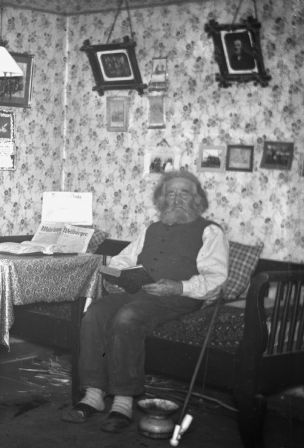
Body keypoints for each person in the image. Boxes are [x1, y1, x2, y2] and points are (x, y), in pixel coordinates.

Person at [61, 171, 229, 432]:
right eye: (170, 193)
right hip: (141, 293)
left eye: (184, 192)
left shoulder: (210, 231)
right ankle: (93, 395)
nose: (176, 199)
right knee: (94, 313)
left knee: (128, 317)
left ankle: (123, 402)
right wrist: (115, 277)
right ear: (162, 199)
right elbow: (124, 259)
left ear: (197, 199)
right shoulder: (152, 228)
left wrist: (178, 287)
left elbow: (216, 279)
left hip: (180, 298)